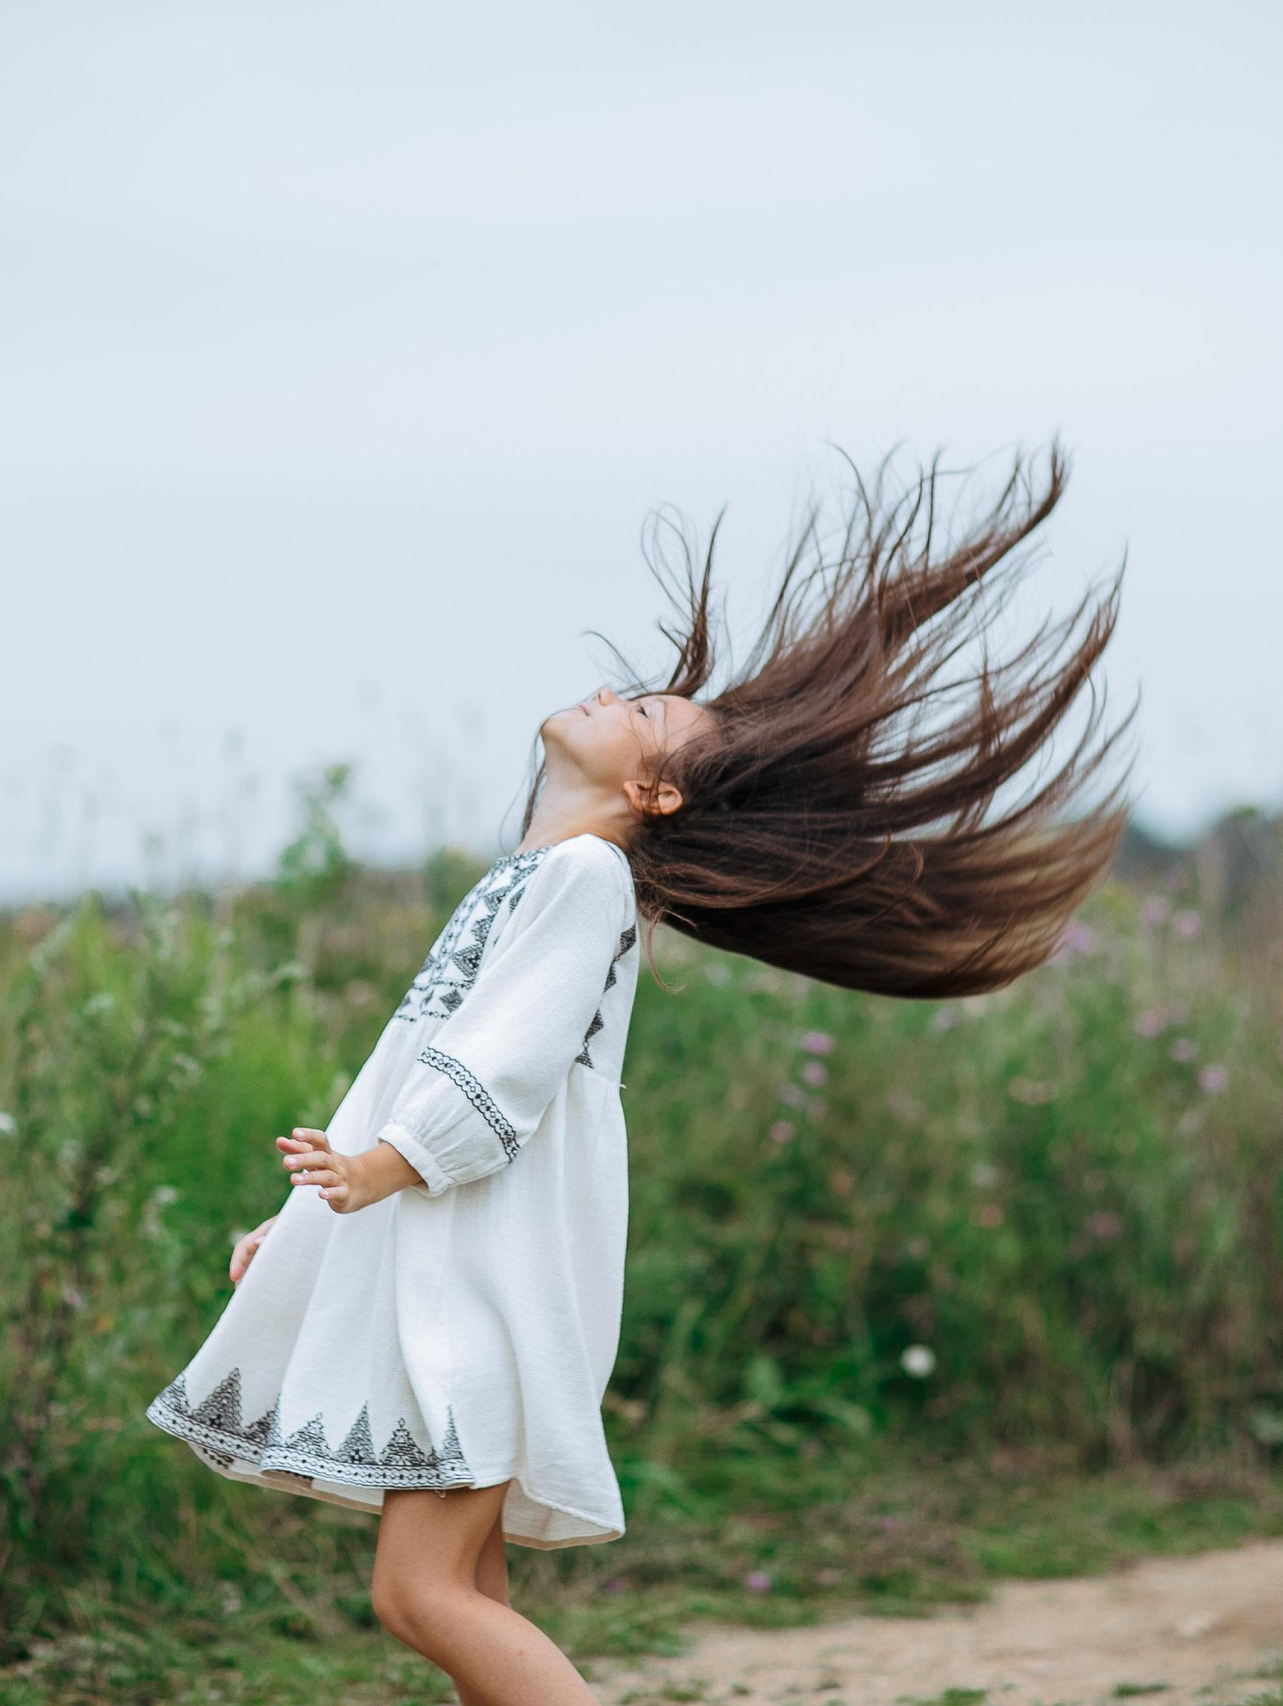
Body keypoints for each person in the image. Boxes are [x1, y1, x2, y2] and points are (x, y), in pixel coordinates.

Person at [146, 449, 1126, 1703]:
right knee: (466, 1587)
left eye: (646, 710)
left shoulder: (582, 878)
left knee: (420, 1591)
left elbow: (499, 1065)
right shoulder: (535, 878)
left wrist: (378, 1169)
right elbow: (401, 1076)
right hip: (457, 1268)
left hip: (487, 1283)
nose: (615, 690)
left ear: (651, 789)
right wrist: (304, 1223)